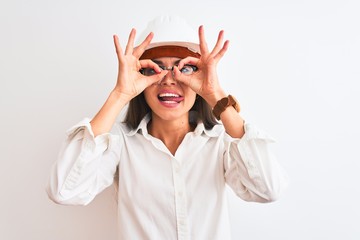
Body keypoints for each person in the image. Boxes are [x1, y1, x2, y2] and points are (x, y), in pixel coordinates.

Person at [47, 15, 288, 240]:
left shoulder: (221, 142)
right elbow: (64, 191)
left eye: (185, 68)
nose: (169, 79)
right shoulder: (120, 142)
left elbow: (268, 190)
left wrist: (215, 95)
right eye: (154, 68)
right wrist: (120, 94)